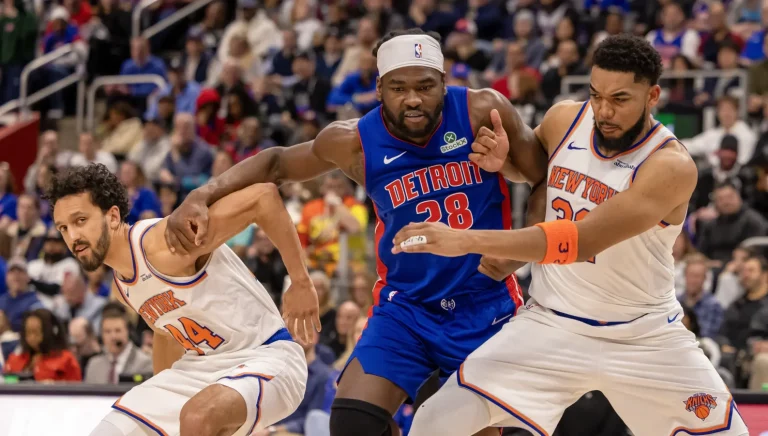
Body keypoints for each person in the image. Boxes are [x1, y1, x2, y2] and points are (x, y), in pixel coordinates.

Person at [165, 28, 546, 436]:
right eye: (399, 87)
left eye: (425, 86)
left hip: (482, 302)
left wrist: (519, 250)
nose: (413, 98)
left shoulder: (481, 111)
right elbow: (276, 163)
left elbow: (543, 176)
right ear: (379, 88)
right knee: (350, 423)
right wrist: (201, 195)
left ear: (444, 82)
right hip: (408, 307)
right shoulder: (353, 140)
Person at [394, 34, 750, 436]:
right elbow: (544, 177)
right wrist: (504, 164)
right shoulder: (566, 118)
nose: (603, 110)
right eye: (596, 95)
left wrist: (465, 239)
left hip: (642, 336)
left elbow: (578, 241)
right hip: (552, 324)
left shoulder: (670, 166)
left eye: (619, 99)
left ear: (652, 96)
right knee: (434, 422)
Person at [45, 163, 319, 436]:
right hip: (200, 369)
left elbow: (263, 197)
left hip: (266, 355)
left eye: (80, 221)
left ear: (113, 217)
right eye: (63, 228)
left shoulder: (163, 242)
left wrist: (301, 281)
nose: (73, 237)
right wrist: (163, 393)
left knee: (197, 418)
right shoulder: (122, 283)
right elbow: (165, 334)